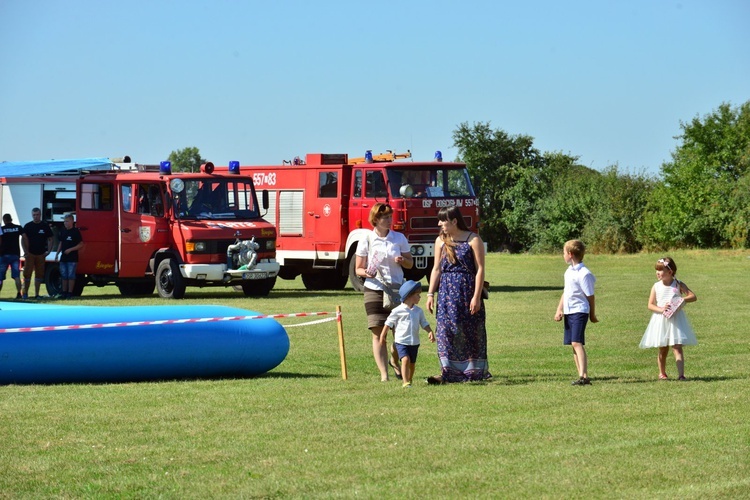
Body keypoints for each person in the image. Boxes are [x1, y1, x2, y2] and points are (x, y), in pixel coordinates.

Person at [425, 206, 490, 384]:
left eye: (443, 220)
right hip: (446, 292)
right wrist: (430, 293)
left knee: (468, 330)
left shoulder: (473, 239)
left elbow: (480, 270)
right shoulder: (440, 241)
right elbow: (436, 269)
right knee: (446, 330)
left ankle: (472, 371)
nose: (439, 224)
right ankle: (447, 371)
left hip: (467, 290)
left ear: (454, 221)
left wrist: (476, 297)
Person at [355, 203, 414, 381]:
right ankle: (383, 375)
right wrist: (367, 273)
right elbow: (358, 269)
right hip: (374, 288)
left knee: (400, 332)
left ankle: (394, 360)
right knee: (378, 332)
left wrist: (402, 260)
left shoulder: (399, 238)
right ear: (376, 219)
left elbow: (411, 264)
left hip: (397, 289)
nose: (389, 220)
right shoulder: (366, 239)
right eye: (385, 217)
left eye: (390, 216)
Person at [639, 257, 697, 380]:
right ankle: (662, 373)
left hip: (676, 320)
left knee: (677, 347)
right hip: (661, 320)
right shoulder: (656, 286)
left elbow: (692, 296)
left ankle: (681, 375)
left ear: (670, 272)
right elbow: (650, 305)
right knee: (663, 348)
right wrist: (662, 309)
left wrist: (681, 299)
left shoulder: (678, 284)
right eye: (656, 270)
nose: (657, 273)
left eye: (661, 270)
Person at [554, 239, 598, 386]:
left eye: (564, 253)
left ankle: (584, 377)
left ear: (570, 254)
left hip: (580, 310)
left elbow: (590, 296)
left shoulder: (584, 274)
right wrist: (559, 309)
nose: (563, 255)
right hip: (569, 311)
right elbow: (566, 292)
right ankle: (581, 373)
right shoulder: (569, 272)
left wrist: (592, 314)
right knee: (573, 344)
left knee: (576, 342)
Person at [380, 280, 435, 388]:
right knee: (405, 360)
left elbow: (424, 323)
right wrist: (382, 335)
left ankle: (409, 380)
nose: (420, 297)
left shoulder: (418, 311)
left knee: (412, 364)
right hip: (401, 341)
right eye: (417, 295)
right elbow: (388, 323)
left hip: (414, 342)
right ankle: (405, 382)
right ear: (409, 296)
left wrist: (430, 331)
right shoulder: (397, 311)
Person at [21, 207, 53, 299]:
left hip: (41, 254)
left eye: (37, 215)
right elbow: (23, 239)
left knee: (39, 275)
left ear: (40, 215)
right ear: (32, 215)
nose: (36, 217)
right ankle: (25, 293)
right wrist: (25, 251)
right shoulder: (28, 226)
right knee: (27, 274)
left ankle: (37, 294)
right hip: (30, 254)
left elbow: (51, 238)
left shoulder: (45, 226)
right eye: (34, 215)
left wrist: (48, 251)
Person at [54, 214, 85, 299]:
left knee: (71, 276)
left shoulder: (75, 232)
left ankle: (70, 293)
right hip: (63, 257)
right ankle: (64, 292)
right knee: (64, 275)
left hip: (72, 258)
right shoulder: (63, 231)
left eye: (67, 221)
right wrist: (57, 254)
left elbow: (81, 244)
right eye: (64, 221)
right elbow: (61, 243)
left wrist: (71, 249)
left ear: (72, 221)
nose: (65, 223)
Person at [0, 213, 24, 299]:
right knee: (16, 276)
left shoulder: (2, 229)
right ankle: (19, 294)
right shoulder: (18, 228)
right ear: (11, 219)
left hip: (4, 255)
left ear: (4, 220)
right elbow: (24, 237)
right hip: (15, 255)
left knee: (0, 277)